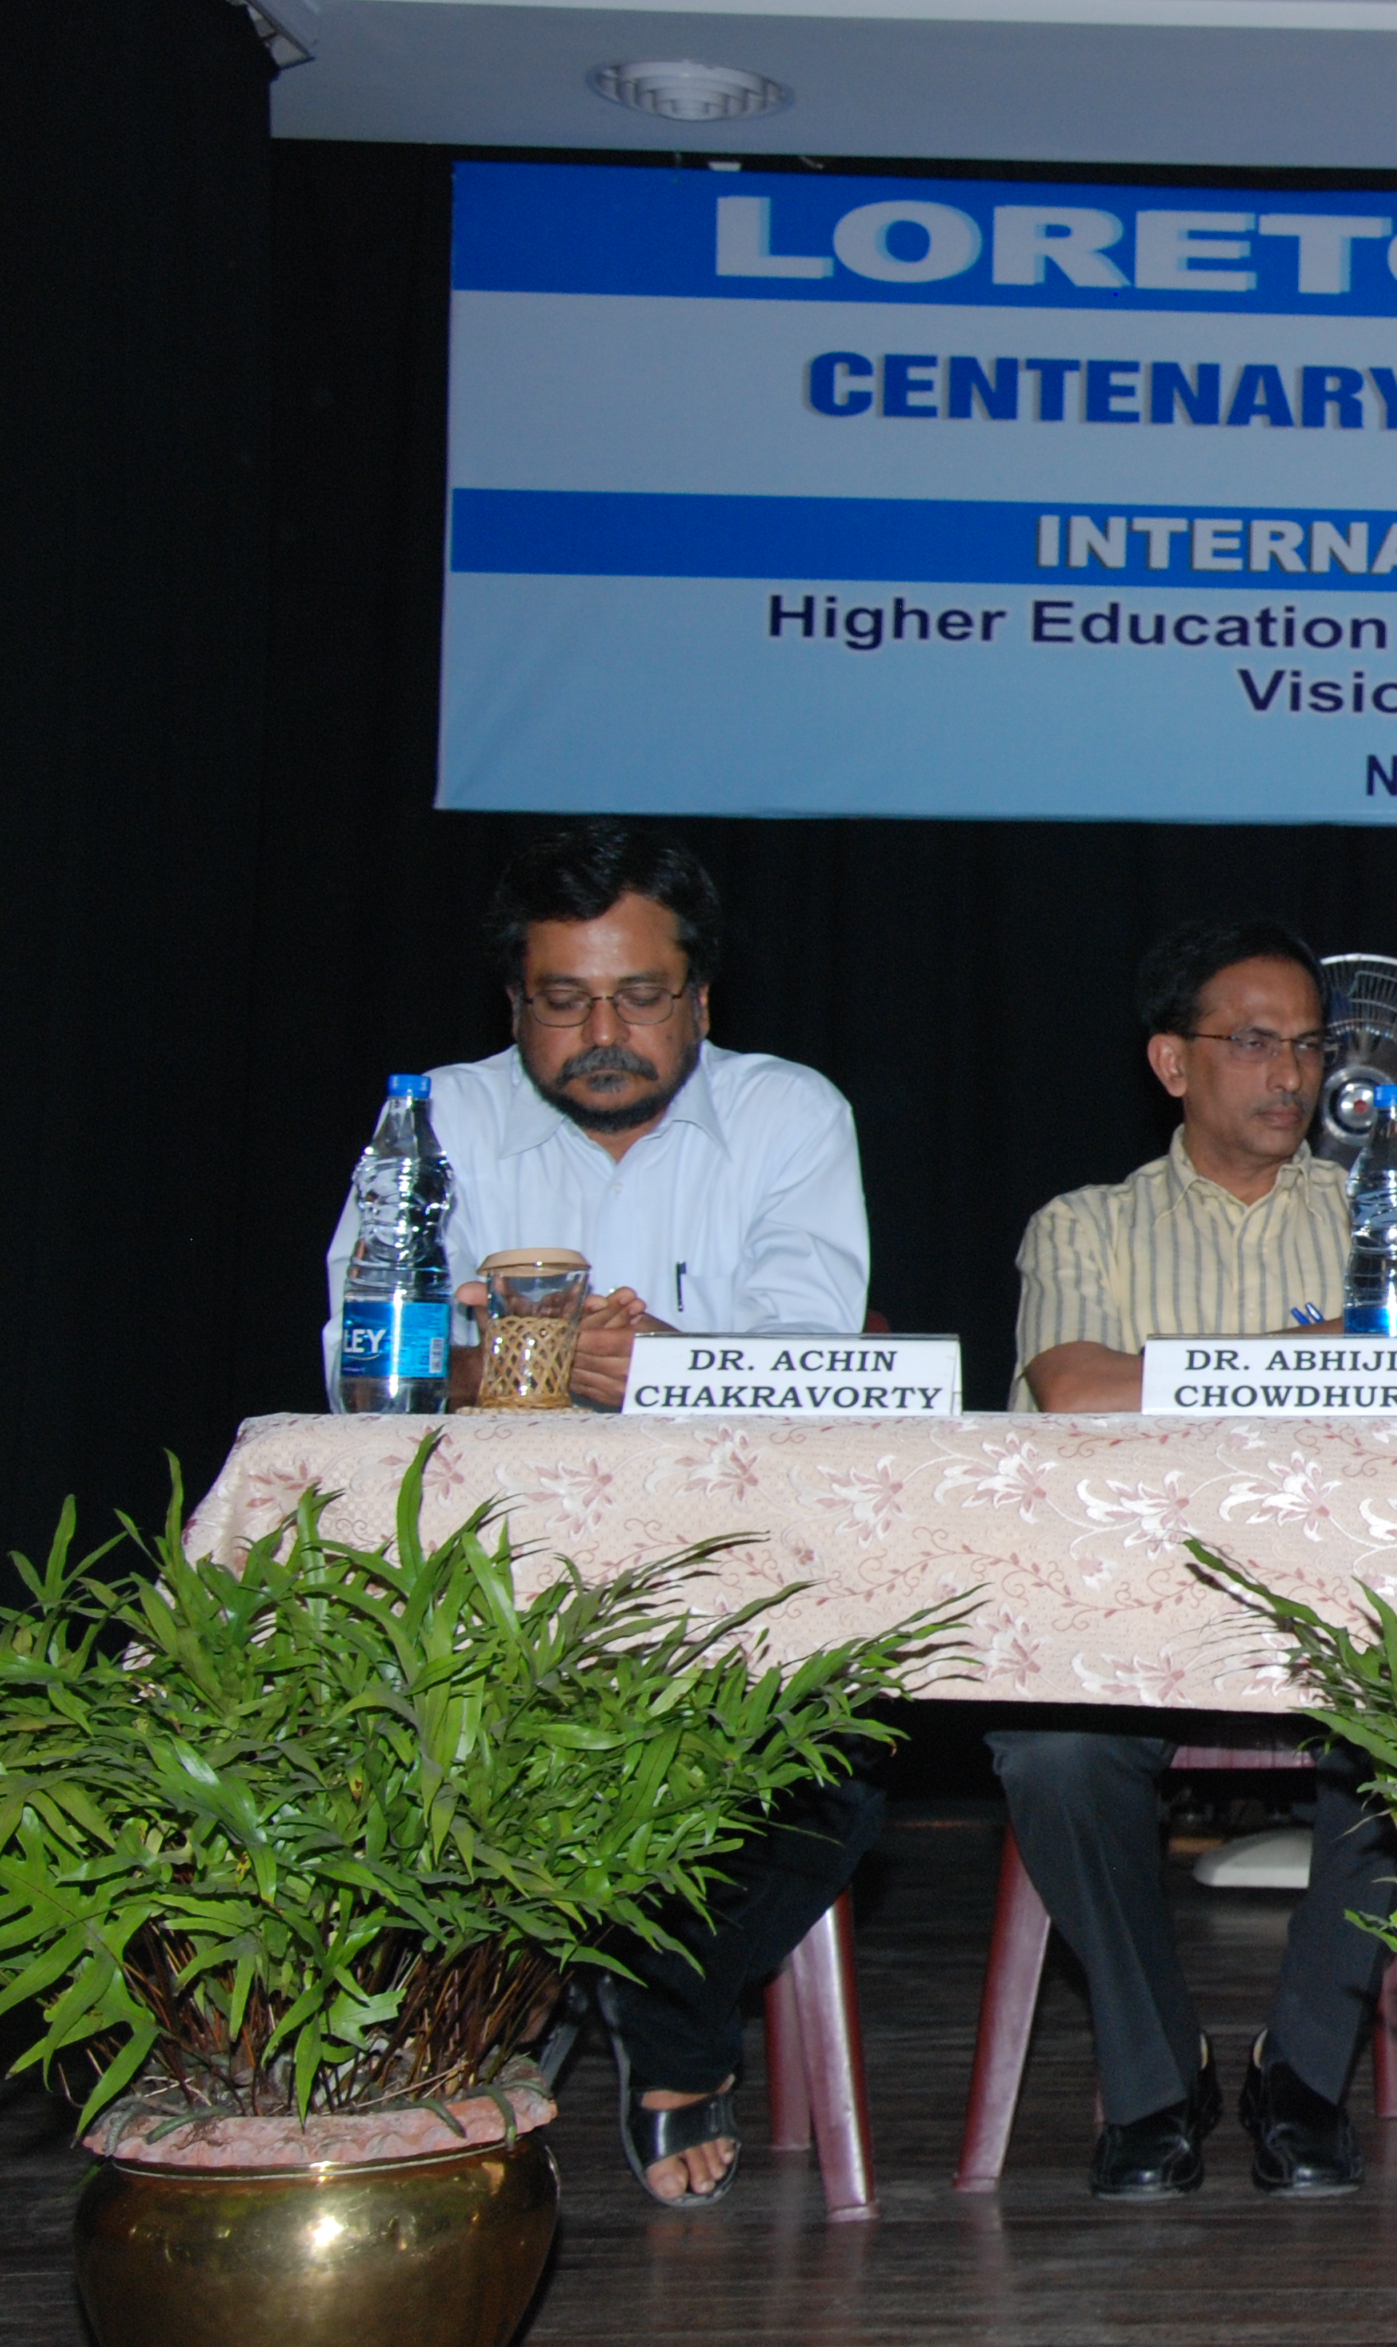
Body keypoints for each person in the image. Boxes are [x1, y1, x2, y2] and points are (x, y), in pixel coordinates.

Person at [315, 819, 873, 2208]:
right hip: (487, 1587)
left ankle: (634, 2009)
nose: (604, 1034)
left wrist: (662, 1360)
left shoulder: (789, 1113)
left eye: (639, 997)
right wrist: (537, 1359)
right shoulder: (435, 1121)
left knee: (844, 1763)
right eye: (564, 1001)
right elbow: (359, 1354)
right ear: (515, 1004)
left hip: (726, 1570)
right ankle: (630, 2030)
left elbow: (810, 1350)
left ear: (701, 1001)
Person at [988, 916, 1397, 2202]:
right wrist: (1306, 1357)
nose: (1291, 1075)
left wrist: (1177, 1374)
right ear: (1173, 1062)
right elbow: (1073, 1391)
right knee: (1051, 1753)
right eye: (1253, 1043)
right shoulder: (1084, 1226)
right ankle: (1154, 2077)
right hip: (1126, 1603)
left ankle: (1304, 2073)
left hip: (1333, 1598)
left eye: (1309, 1046)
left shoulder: (1385, 1215)